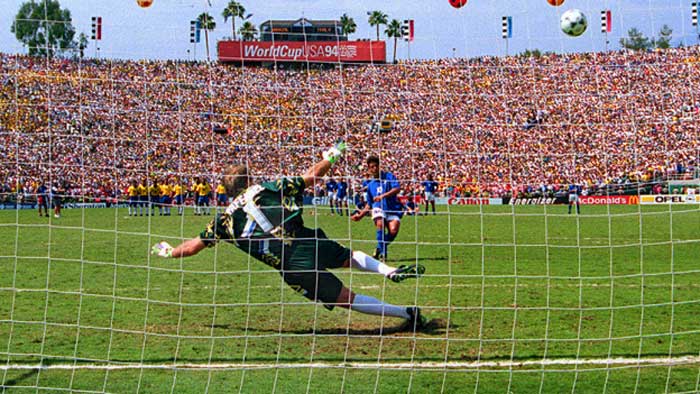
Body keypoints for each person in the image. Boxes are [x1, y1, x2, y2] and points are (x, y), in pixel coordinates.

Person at [151, 142, 427, 330]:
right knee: (350, 257)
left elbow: (193, 247)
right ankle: (388, 270)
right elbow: (311, 177)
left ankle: (406, 313)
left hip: (290, 265)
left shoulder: (222, 221)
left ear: (227, 190)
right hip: (304, 238)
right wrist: (331, 156)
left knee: (346, 298)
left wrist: (170, 251)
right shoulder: (263, 189)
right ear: (249, 180)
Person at [351, 156, 403, 261]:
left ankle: (379, 248)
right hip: (378, 208)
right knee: (380, 223)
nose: (374, 168)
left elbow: (397, 188)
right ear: (369, 169)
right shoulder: (370, 185)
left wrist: (383, 196)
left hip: (392, 208)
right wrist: (360, 215)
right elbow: (369, 204)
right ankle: (384, 254)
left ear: (379, 166)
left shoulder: (389, 176)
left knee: (393, 231)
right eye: (371, 167)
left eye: (376, 166)